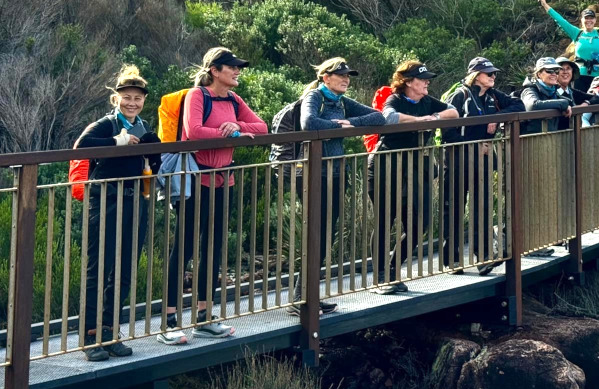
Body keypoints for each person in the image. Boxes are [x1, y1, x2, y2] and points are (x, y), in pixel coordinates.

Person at [159, 48, 267, 345]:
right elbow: (193, 132)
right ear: (215, 71)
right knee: (184, 247)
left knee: (213, 247)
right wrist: (231, 134)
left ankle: (204, 318)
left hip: (224, 181)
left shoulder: (233, 99)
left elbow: (262, 127)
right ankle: (168, 321)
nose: (237, 72)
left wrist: (237, 127)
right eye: (232, 68)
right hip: (195, 181)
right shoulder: (198, 95)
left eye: (238, 67)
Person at [75, 65, 162, 361]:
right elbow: (81, 147)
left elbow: (153, 166)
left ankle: (110, 333)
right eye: (127, 97)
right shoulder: (107, 124)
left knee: (125, 268)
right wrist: (117, 142)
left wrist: (155, 151)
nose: (132, 102)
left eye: (137, 98)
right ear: (116, 99)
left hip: (135, 201)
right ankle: (89, 337)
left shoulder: (144, 126)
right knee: (97, 267)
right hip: (106, 200)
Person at [291, 57, 390, 315]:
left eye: (348, 75)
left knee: (326, 233)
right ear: (326, 78)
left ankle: (307, 295)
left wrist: (352, 124)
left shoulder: (342, 102)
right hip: (314, 173)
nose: (346, 79)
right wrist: (339, 127)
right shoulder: (316, 97)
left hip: (336, 173)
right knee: (317, 232)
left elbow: (379, 118)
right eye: (340, 75)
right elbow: (309, 123)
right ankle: (301, 299)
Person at [372, 61, 458, 294]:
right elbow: (388, 117)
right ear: (408, 82)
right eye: (422, 80)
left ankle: (392, 268)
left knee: (422, 221)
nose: (427, 83)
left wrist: (435, 117)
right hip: (386, 164)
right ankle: (381, 278)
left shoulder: (428, 101)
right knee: (385, 220)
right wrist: (419, 121)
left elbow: (454, 111)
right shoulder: (396, 99)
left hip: (416, 168)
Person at [440, 57, 524, 274]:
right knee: (455, 207)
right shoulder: (459, 95)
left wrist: (495, 117)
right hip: (457, 160)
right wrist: (473, 145)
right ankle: (452, 259)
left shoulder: (493, 96)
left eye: (494, 73)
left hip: (483, 160)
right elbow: (447, 133)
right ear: (476, 76)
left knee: (483, 206)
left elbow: (519, 105)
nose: (493, 77)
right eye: (489, 74)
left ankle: (484, 256)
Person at [520, 57, 573, 135]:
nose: (554, 74)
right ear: (539, 74)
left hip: (550, 138)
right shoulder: (530, 89)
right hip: (531, 140)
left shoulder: (553, 91)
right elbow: (532, 106)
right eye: (549, 71)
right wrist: (564, 103)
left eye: (556, 71)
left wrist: (568, 105)